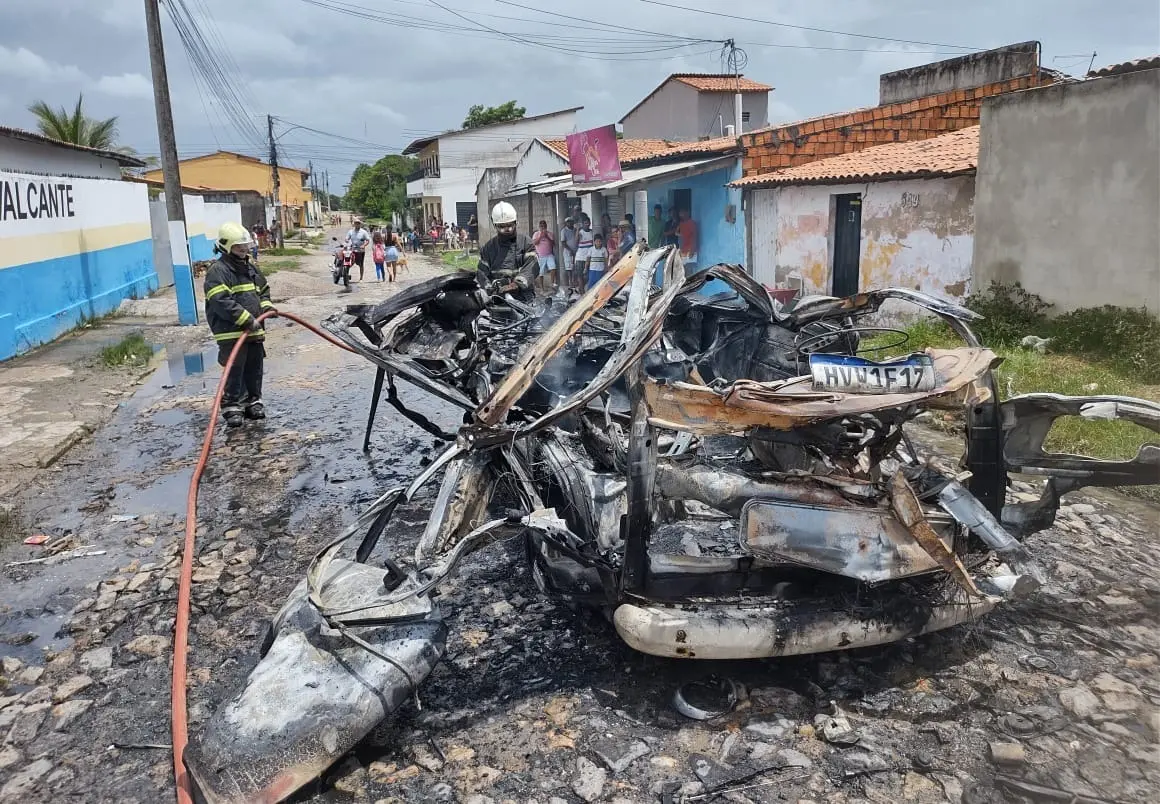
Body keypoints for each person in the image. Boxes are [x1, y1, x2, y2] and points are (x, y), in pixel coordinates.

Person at [204, 222, 274, 428]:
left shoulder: (251, 268)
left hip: (254, 330)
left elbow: (263, 290)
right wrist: (246, 319)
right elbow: (221, 301)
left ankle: (253, 402)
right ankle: (232, 406)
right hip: (231, 332)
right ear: (226, 247)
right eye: (238, 247)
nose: (243, 250)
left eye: (245, 246)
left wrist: (266, 308)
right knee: (235, 369)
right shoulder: (218, 271)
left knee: (254, 368)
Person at [476, 201, 536, 299]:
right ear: (494, 225)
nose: (507, 229)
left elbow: (532, 266)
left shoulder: (525, 242)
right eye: (501, 227)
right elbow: (482, 274)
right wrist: (490, 287)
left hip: (524, 297)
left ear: (516, 222)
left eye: (509, 225)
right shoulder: (488, 248)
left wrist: (516, 284)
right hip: (498, 298)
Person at [532, 219, 556, 291]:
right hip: (540, 255)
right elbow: (534, 243)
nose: (543, 227)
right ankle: (542, 288)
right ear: (539, 227)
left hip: (549, 254)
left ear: (546, 226)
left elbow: (553, 244)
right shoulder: (536, 234)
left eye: (544, 226)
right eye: (541, 226)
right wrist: (540, 236)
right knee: (541, 272)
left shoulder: (550, 233)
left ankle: (552, 284)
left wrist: (547, 236)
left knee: (553, 268)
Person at [574, 216, 595, 292]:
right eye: (585, 223)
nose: (587, 224)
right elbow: (576, 242)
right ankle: (582, 292)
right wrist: (577, 230)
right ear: (582, 224)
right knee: (580, 276)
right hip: (580, 257)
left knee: (588, 276)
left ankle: (584, 290)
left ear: (590, 223)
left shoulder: (592, 232)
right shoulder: (580, 232)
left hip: (589, 257)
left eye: (588, 223)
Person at [559, 217, 577, 294]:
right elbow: (563, 243)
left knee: (575, 266)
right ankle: (570, 282)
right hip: (567, 251)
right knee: (569, 267)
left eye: (571, 221)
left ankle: (574, 281)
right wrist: (570, 250)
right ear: (566, 223)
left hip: (576, 251)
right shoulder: (563, 231)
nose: (570, 223)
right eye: (568, 222)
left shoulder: (575, 230)